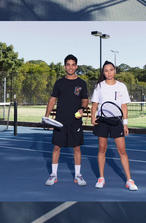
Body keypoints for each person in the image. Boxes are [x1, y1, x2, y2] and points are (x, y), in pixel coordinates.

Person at [90, 61, 138, 191]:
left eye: (111, 70)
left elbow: (124, 106)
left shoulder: (121, 86)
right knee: (101, 149)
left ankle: (129, 180)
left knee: (122, 151)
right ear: (103, 72)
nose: (109, 72)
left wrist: (125, 124)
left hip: (117, 121)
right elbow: (94, 103)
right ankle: (101, 178)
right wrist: (93, 116)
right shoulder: (99, 86)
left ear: (115, 71)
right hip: (103, 121)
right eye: (106, 70)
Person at [44, 54, 89, 186]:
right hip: (60, 121)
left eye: (73, 64)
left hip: (75, 121)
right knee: (57, 147)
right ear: (65, 67)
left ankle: (78, 175)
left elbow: (85, 100)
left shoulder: (82, 83)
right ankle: (53, 175)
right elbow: (52, 100)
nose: (70, 67)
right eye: (68, 64)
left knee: (77, 148)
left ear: (76, 66)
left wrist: (82, 109)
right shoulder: (59, 83)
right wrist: (46, 116)